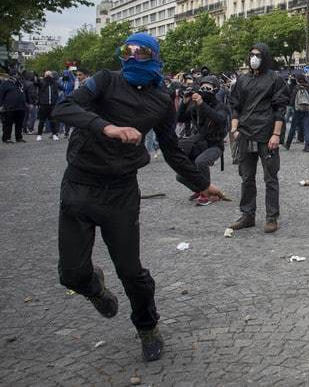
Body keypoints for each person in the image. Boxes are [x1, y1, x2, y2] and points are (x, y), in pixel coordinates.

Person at [51, 32, 223, 362]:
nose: (131, 57)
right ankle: (94, 286)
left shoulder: (161, 101)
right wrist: (106, 127)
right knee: (70, 274)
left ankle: (147, 326)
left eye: (140, 52)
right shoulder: (103, 81)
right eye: (126, 51)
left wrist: (200, 184)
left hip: (120, 192)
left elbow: (172, 150)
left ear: (155, 57)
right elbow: (63, 107)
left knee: (131, 272)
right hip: (79, 183)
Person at [228, 43, 289, 233]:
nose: (254, 58)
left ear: (265, 57)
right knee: (246, 177)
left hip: (267, 134)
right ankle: (247, 215)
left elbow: (280, 109)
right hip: (245, 134)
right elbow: (235, 106)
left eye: (258, 55)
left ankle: (271, 217)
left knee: (270, 178)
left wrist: (276, 134)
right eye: (251, 54)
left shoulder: (275, 79)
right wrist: (234, 129)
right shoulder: (242, 80)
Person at [176, 76, 227, 206]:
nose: (204, 90)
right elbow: (181, 118)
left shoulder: (220, 106)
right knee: (181, 175)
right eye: (202, 87)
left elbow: (219, 119)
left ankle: (207, 194)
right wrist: (184, 102)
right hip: (199, 144)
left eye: (208, 88)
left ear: (215, 90)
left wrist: (201, 104)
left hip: (215, 145)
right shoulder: (195, 106)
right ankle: (200, 190)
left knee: (201, 162)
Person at [285, 73, 309, 152]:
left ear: (297, 80)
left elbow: (291, 99)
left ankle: (288, 144)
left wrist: (293, 106)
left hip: (297, 110)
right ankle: (307, 146)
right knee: (307, 127)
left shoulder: (296, 88)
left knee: (293, 127)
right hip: (307, 110)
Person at [0, 70, 30, 143]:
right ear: (12, 75)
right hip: (9, 107)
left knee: (19, 123)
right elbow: (1, 95)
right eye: (16, 75)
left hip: (20, 107)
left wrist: (28, 102)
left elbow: (25, 93)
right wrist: (0, 105)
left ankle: (19, 137)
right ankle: (6, 138)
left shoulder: (20, 83)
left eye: (18, 75)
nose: (18, 76)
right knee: (8, 124)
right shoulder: (5, 83)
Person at [35, 71, 62, 141]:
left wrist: (57, 96)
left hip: (52, 105)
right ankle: (39, 135)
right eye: (46, 75)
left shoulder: (54, 83)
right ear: (44, 75)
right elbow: (35, 83)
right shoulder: (42, 82)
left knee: (53, 120)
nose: (48, 76)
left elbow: (62, 88)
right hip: (43, 104)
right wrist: (36, 77)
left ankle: (54, 134)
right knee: (41, 120)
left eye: (49, 75)